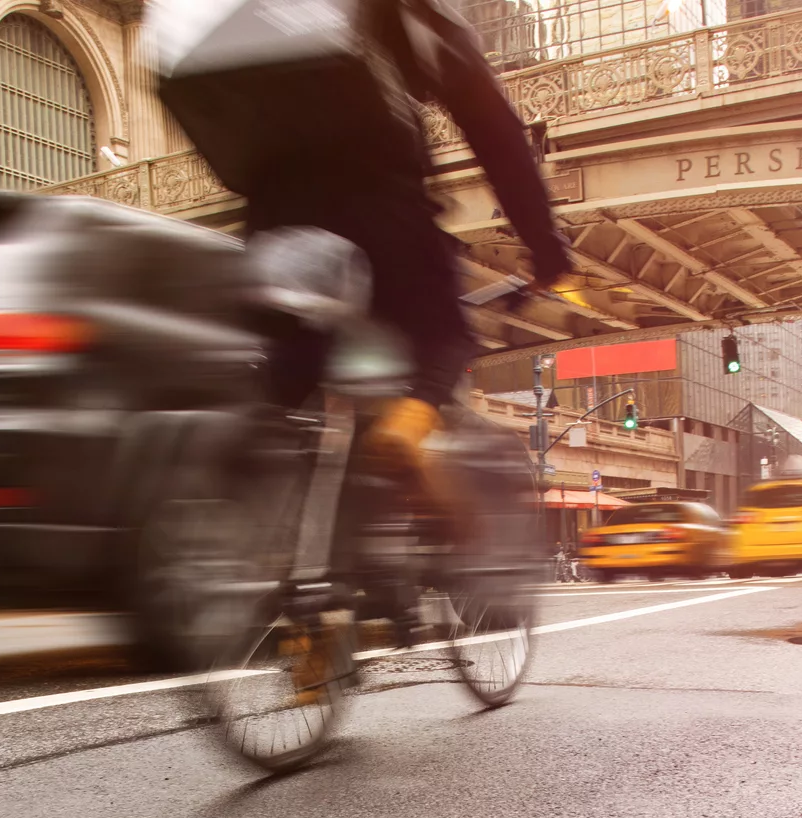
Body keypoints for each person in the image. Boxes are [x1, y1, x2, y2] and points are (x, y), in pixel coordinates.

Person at [151, 0, 571, 528]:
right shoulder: (414, 12)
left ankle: (247, 495)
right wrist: (544, 244)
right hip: (381, 211)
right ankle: (405, 426)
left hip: (271, 220)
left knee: (293, 369)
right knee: (442, 337)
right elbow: (492, 125)